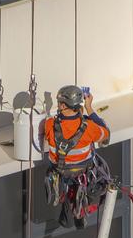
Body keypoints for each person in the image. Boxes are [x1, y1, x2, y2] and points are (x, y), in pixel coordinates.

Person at [43, 86, 111, 229]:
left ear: (62, 105)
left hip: (59, 170)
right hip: (83, 171)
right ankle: (78, 210)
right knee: (95, 161)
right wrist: (89, 108)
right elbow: (106, 135)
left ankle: (67, 206)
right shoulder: (89, 127)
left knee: (69, 183)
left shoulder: (49, 124)